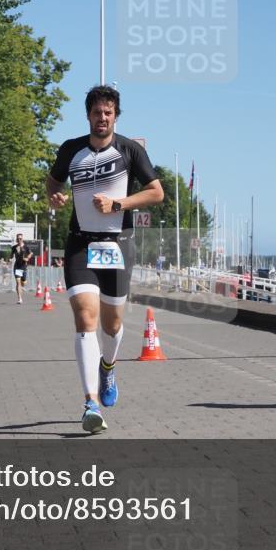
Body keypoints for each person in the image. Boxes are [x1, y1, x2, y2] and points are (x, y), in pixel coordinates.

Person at [47, 85, 164, 433]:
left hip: (117, 244)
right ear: (88, 115)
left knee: (111, 325)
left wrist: (120, 204)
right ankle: (90, 403)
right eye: (97, 112)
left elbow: (156, 193)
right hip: (80, 243)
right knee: (85, 317)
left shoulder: (129, 150)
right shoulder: (71, 149)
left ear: (115, 115)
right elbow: (52, 182)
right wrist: (54, 196)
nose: (102, 118)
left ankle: (108, 368)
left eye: (108, 113)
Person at [11, 234, 33, 304]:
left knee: (23, 283)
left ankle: (22, 284)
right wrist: (10, 258)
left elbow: (31, 253)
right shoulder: (14, 247)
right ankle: (19, 298)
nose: (19, 240)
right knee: (18, 282)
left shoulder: (26, 247)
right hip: (18, 267)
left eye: (20, 238)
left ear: (22, 239)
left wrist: (27, 258)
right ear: (16, 239)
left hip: (24, 267)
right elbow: (11, 256)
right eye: (18, 239)